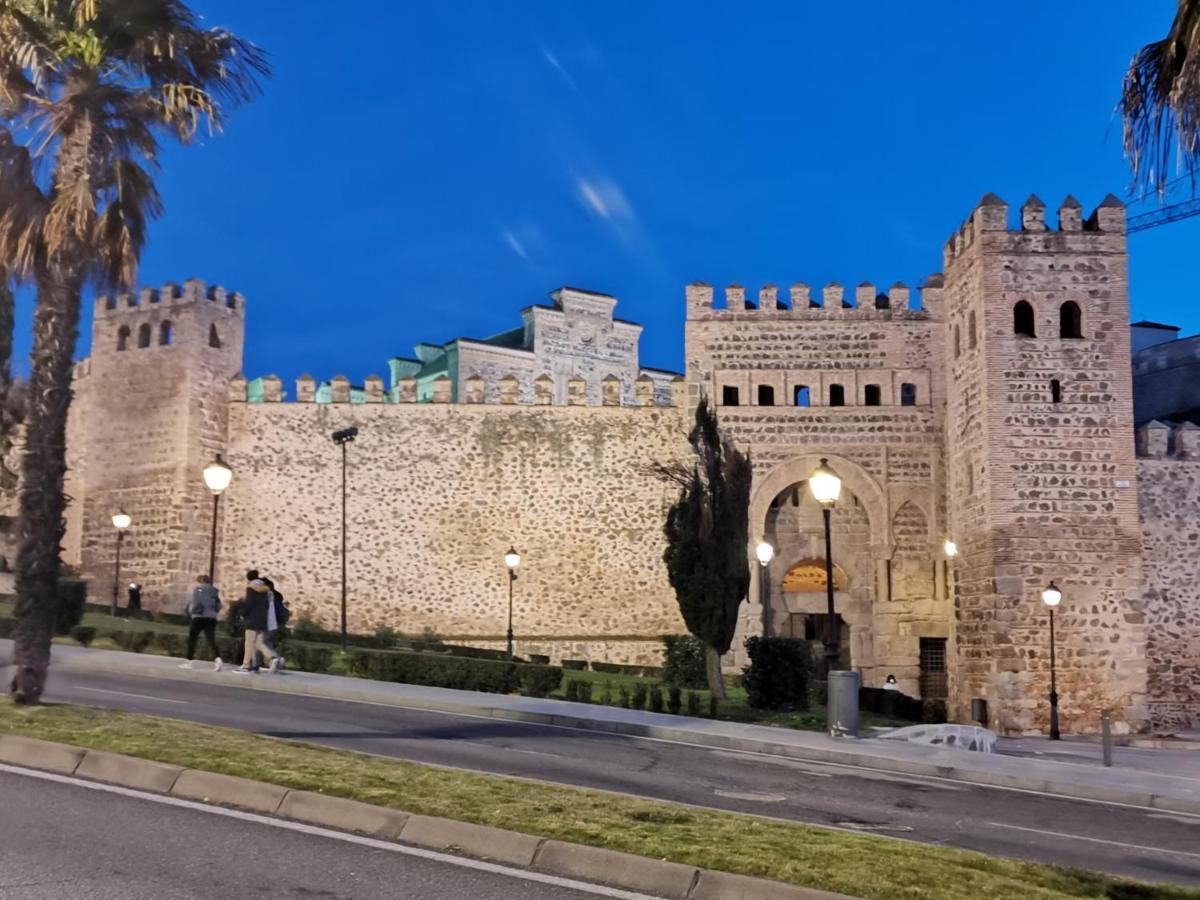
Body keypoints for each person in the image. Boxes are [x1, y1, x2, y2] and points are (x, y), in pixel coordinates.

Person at [234, 578, 279, 674]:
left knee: (249, 642)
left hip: (252, 620)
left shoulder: (251, 590)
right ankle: (272, 657)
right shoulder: (266, 592)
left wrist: (242, 614)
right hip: (262, 620)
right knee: (259, 643)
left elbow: (249, 604)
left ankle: (245, 665)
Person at [181, 575, 223, 671]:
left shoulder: (198, 590)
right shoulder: (214, 592)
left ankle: (189, 661)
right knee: (211, 639)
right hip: (211, 618)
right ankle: (218, 658)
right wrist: (213, 612)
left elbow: (197, 603)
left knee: (192, 639)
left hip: (199, 617)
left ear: (201, 581)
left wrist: (193, 612)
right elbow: (219, 605)